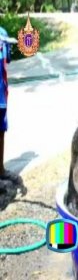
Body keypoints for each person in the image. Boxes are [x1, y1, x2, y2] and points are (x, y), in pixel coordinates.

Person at [0, 27, 12, 178]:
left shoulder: (3, 33)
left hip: (2, 94)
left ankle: (1, 170)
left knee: (1, 131)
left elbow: (8, 59)